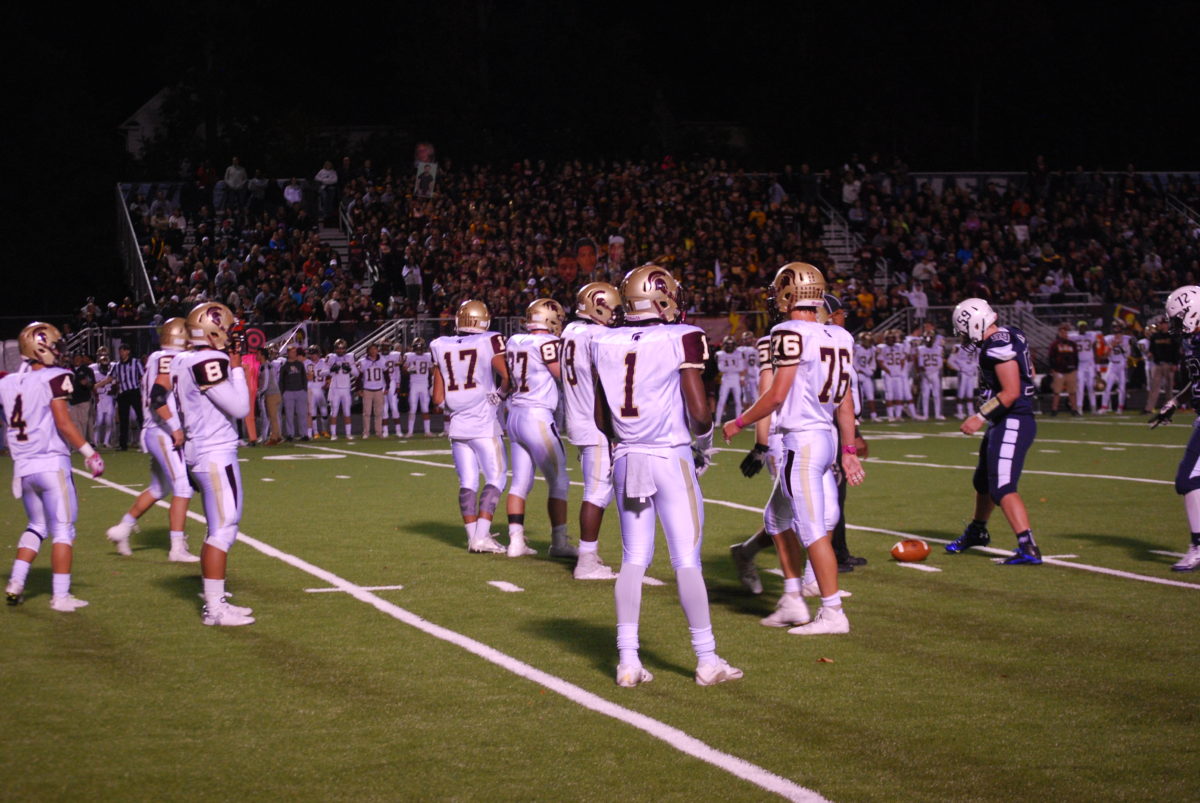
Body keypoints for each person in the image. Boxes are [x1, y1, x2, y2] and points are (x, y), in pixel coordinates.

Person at [592, 264, 741, 687]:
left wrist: (625, 440)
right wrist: (705, 440)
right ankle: (707, 659)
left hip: (626, 457)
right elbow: (698, 412)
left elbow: (602, 415)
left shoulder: (604, 340)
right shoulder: (682, 336)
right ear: (662, 297)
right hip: (670, 457)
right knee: (686, 560)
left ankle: (627, 661)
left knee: (633, 560)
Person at [723, 264, 864, 636]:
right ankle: (790, 597)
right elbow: (846, 403)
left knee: (812, 527)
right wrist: (848, 448)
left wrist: (739, 423)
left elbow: (776, 395)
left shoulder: (786, 332)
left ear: (788, 295)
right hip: (827, 438)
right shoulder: (840, 336)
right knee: (778, 518)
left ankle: (832, 612)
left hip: (798, 439)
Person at [3, 322, 106, 610]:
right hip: (51, 464)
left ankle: (16, 582)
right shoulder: (56, 377)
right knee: (63, 530)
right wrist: (89, 452)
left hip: (24, 469)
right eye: (54, 345)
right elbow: (63, 422)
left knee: (36, 525)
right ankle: (60, 596)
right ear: (40, 348)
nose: (59, 351)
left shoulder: (7, 382)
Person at [171, 302, 254, 626]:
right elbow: (239, 406)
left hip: (197, 448)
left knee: (217, 528)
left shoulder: (182, 358)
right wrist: (235, 367)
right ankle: (215, 609)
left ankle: (215, 600)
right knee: (223, 530)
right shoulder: (210, 359)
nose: (232, 335)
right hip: (214, 452)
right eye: (228, 329)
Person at [945, 298, 1043, 565]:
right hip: (1004, 419)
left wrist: (979, 416)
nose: (965, 337)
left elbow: (1010, 392)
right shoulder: (1010, 333)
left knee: (1002, 487)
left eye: (964, 330)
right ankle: (977, 530)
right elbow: (1030, 370)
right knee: (983, 482)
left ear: (974, 323)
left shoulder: (996, 345)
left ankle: (1027, 546)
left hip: (1013, 418)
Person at [104, 318, 200, 561]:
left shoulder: (157, 357)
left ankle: (122, 529)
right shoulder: (170, 359)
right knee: (183, 487)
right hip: (162, 430)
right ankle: (177, 547)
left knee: (159, 488)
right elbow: (158, 399)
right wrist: (175, 427)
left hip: (155, 430)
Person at [430, 300, 510, 553]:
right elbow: (510, 376)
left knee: (468, 482)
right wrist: (500, 395)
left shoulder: (439, 345)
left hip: (457, 426)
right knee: (496, 478)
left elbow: (437, 399)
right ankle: (482, 537)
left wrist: (458, 405)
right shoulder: (489, 340)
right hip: (484, 424)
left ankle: (472, 537)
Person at [502, 299, 577, 558]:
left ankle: (515, 542)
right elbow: (561, 374)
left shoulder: (514, 341)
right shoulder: (548, 343)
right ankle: (559, 542)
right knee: (560, 481)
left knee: (520, 482)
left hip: (515, 415)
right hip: (537, 417)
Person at [560, 282, 621, 580]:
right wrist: (611, 430)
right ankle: (586, 560)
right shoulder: (599, 336)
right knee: (597, 492)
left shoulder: (571, 330)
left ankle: (588, 554)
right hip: (594, 422)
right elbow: (603, 386)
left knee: (597, 489)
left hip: (577, 417)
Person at [1155, 285, 1200, 571]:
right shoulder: (1191, 340)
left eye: (1178, 317)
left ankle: (1198, 547)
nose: (1174, 325)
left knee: (1188, 478)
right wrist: (1175, 401)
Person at [113, 343, 145, 451]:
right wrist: (97, 385)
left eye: (123, 351)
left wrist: (144, 392)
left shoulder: (135, 362)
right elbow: (110, 377)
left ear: (128, 351)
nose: (121, 353)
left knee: (141, 417)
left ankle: (145, 442)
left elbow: (143, 376)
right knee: (123, 420)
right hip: (122, 394)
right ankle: (123, 444)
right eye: (120, 351)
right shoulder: (117, 365)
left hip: (134, 391)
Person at [325, 339, 358, 440]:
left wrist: (350, 369)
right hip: (335, 388)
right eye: (338, 348)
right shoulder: (331, 357)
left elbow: (357, 374)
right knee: (334, 411)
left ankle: (348, 434)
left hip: (346, 388)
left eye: (342, 348)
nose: (340, 350)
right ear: (335, 349)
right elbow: (322, 372)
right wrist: (331, 370)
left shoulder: (350, 357)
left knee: (347, 411)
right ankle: (333, 434)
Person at [1145, 322, 1180, 413]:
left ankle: (1169, 408)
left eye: (1164, 323)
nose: (1162, 325)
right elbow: (1151, 349)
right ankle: (1149, 408)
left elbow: (1176, 351)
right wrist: (1150, 354)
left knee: (1168, 388)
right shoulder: (1155, 336)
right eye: (1161, 323)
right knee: (1154, 387)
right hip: (1158, 364)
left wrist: (1175, 363)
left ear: (1167, 325)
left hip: (1169, 364)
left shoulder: (1172, 336)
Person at [1046, 323, 1080, 416]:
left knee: (1072, 391)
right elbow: (1050, 357)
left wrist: (1075, 368)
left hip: (1070, 370)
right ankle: (1054, 410)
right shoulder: (1055, 344)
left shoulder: (1072, 344)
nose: (1064, 333)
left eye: (1066, 332)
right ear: (1059, 333)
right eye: (1062, 332)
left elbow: (1076, 357)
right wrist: (1053, 369)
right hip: (1059, 370)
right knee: (1057, 392)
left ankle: (1074, 409)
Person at [402, 339, 434, 438]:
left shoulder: (428, 356)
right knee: (413, 408)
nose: (419, 349)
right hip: (414, 385)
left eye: (421, 347)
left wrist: (433, 381)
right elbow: (404, 370)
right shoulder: (409, 356)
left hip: (424, 385)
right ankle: (410, 432)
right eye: (417, 347)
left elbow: (432, 370)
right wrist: (409, 371)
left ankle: (427, 431)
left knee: (425, 408)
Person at [279, 345, 309, 441]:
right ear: (288, 353)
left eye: (295, 352)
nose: (294, 354)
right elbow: (281, 381)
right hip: (289, 392)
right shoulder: (284, 367)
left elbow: (304, 377)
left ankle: (304, 434)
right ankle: (290, 434)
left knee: (302, 414)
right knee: (289, 415)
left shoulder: (300, 365)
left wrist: (304, 390)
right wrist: (283, 392)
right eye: (292, 352)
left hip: (300, 391)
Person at [357, 343, 387, 439]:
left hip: (379, 389)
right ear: (368, 350)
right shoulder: (363, 361)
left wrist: (387, 387)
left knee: (379, 412)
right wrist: (358, 389)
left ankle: (379, 432)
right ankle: (366, 432)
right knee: (367, 413)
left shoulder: (382, 360)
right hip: (367, 389)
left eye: (375, 349)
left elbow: (386, 375)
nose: (373, 351)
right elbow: (359, 377)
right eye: (371, 349)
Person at [1101, 322, 1132, 413]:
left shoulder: (1127, 339)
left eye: (1119, 330)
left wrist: (1124, 347)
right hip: (1112, 364)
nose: (1117, 333)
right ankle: (1104, 407)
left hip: (1122, 364)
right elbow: (1105, 355)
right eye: (1115, 330)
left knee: (1122, 388)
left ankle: (1120, 407)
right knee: (1107, 387)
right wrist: (1111, 346)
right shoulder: (1108, 339)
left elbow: (1128, 354)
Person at [1070, 320, 1100, 413]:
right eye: (1081, 326)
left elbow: (1095, 351)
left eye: (1084, 326)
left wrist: (1097, 367)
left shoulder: (1091, 336)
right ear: (1078, 327)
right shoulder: (1073, 336)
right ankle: (1079, 408)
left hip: (1090, 363)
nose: (1082, 328)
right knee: (1080, 387)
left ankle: (1094, 407)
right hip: (1079, 364)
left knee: (1091, 386)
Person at [714, 336, 746, 422]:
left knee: (738, 401)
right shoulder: (720, 354)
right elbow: (721, 368)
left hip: (735, 378)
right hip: (726, 379)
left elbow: (741, 367)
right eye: (727, 344)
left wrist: (740, 375)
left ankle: (738, 421)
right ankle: (717, 421)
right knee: (722, 400)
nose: (729, 346)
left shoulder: (739, 353)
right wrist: (734, 368)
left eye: (731, 344)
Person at [915, 331, 946, 420]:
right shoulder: (920, 349)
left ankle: (938, 414)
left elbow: (940, 362)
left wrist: (933, 371)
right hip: (925, 374)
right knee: (925, 395)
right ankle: (925, 414)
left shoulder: (939, 349)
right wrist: (925, 372)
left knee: (936, 394)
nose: (929, 340)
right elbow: (920, 363)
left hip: (935, 372)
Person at [947, 339, 981, 419]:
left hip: (971, 373)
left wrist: (974, 368)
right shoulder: (958, 347)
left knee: (970, 393)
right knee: (961, 393)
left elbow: (978, 360)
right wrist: (960, 369)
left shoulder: (976, 348)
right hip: (963, 373)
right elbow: (950, 361)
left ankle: (970, 411)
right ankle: (960, 411)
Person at [91, 347, 117, 448]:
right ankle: (96, 441)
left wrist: (114, 389)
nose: (104, 357)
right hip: (99, 397)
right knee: (99, 421)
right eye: (102, 355)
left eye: (106, 355)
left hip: (109, 397)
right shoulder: (93, 368)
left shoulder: (114, 366)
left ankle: (106, 441)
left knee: (109, 421)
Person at [68, 352, 95, 442]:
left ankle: (81, 442)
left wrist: (87, 383)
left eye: (79, 358)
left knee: (83, 422)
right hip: (72, 399)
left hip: (84, 399)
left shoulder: (87, 370)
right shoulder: (68, 370)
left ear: (82, 359)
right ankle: (77, 443)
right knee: (74, 422)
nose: (77, 360)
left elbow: (92, 384)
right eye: (75, 358)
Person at [305, 345, 330, 439]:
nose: (313, 355)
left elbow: (330, 374)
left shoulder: (324, 362)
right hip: (311, 389)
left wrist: (328, 382)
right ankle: (315, 432)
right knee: (313, 411)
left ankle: (324, 430)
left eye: (315, 353)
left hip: (321, 389)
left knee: (324, 410)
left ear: (318, 354)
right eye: (311, 353)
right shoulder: (307, 363)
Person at [853, 332, 879, 420]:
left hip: (866, 375)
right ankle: (858, 416)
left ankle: (874, 416)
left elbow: (873, 361)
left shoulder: (872, 349)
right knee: (859, 397)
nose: (869, 342)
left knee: (870, 396)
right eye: (867, 340)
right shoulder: (857, 348)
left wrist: (871, 370)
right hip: (858, 374)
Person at [380, 340, 403, 437]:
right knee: (384, 408)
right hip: (381, 383)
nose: (385, 348)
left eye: (386, 346)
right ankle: (385, 431)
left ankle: (398, 430)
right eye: (383, 346)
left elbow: (397, 371)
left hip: (392, 381)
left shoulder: (395, 355)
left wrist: (398, 385)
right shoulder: (377, 356)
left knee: (394, 406)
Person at [737, 331, 759, 407]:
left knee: (752, 399)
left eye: (748, 339)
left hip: (755, 375)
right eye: (745, 339)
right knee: (748, 399)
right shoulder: (757, 348)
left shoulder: (740, 350)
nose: (747, 340)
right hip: (749, 376)